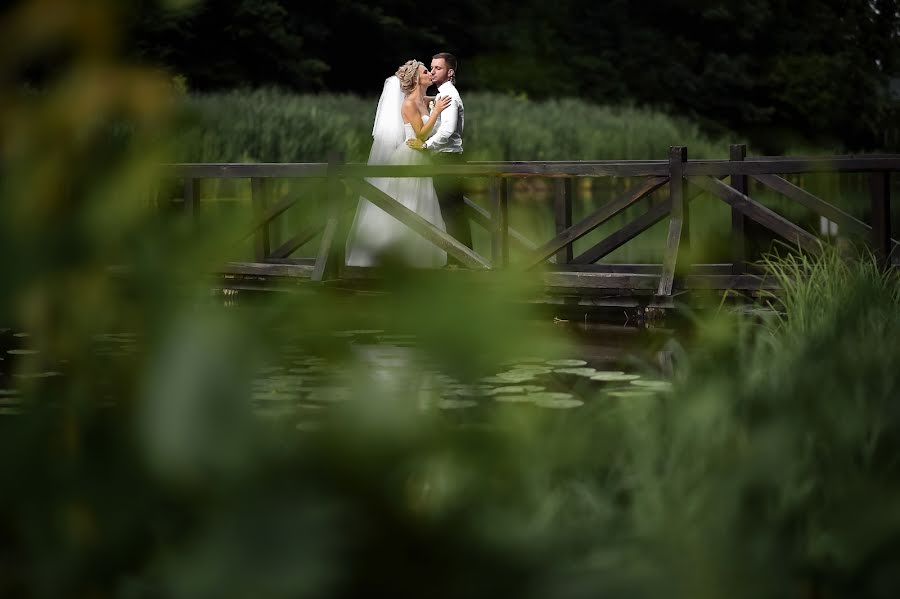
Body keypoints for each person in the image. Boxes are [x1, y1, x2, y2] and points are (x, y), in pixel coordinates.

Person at [345, 60, 452, 267]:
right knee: (407, 204)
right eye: (425, 71)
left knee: (424, 205)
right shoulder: (409, 104)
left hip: (422, 157)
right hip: (411, 155)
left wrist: (445, 88)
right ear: (415, 79)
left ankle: (421, 256)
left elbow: (440, 98)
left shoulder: (423, 99)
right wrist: (436, 111)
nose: (430, 73)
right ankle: (395, 256)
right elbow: (421, 133)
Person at [407, 52, 471, 260]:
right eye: (431, 68)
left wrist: (426, 146)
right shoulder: (442, 94)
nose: (433, 71)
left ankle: (462, 262)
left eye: (438, 68)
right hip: (445, 158)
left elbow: (448, 130)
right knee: (451, 212)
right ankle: (461, 260)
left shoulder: (448, 94)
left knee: (453, 213)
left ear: (450, 72)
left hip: (448, 159)